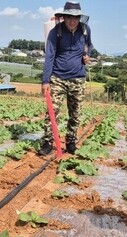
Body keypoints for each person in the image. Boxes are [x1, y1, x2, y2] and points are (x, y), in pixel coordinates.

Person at [39, 1, 92, 156]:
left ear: (80, 18)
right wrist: (45, 80)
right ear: (64, 17)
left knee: (75, 113)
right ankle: (47, 142)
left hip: (78, 78)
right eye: (69, 17)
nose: (72, 20)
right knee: (52, 112)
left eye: (75, 17)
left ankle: (70, 141)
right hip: (57, 78)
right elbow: (49, 56)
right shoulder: (55, 32)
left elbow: (89, 46)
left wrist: (88, 55)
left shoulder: (85, 30)